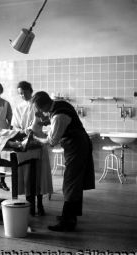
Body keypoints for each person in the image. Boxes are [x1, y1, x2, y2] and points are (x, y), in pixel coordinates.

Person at [32, 91, 95, 232]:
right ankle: (71, 216)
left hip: (76, 146)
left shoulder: (59, 116)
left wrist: (35, 139)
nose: (39, 112)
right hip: (77, 144)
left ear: (44, 106)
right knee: (74, 182)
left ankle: (67, 222)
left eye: (39, 109)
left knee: (70, 182)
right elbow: (54, 120)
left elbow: (51, 141)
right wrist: (44, 120)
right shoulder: (60, 104)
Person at [11, 81, 53, 216]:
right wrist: (22, 132)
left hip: (38, 141)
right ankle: (30, 205)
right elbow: (15, 126)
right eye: (20, 94)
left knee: (39, 174)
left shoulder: (37, 105)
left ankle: (40, 204)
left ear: (30, 90)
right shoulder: (18, 108)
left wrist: (35, 127)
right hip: (24, 142)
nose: (22, 95)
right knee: (27, 175)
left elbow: (44, 121)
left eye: (24, 92)